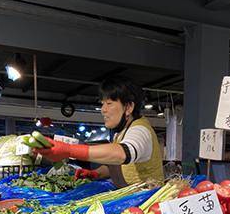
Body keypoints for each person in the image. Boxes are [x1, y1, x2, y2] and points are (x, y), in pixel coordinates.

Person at [34, 76, 164, 187]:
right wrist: (96, 173)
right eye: (102, 103)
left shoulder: (140, 130)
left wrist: (69, 150)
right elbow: (117, 166)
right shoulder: (121, 132)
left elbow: (121, 154)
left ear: (128, 107)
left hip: (148, 206)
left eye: (109, 103)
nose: (103, 110)